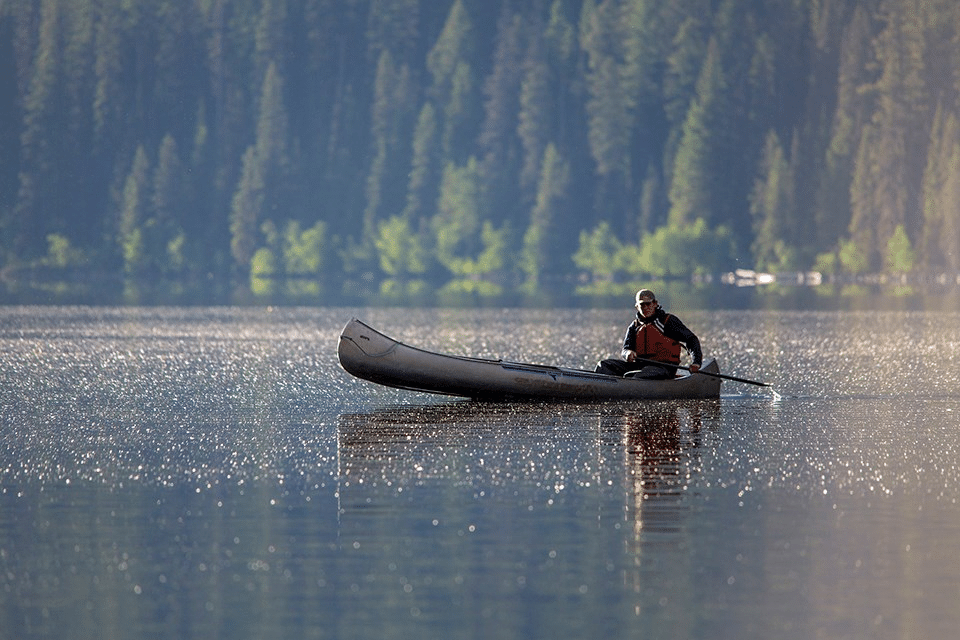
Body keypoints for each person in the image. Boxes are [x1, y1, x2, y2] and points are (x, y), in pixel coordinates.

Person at [595, 289, 703, 379]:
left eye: (648, 303)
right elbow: (626, 349)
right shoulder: (634, 326)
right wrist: (628, 353)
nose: (646, 307)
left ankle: (628, 386)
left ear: (655, 304)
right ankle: (599, 387)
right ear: (637, 307)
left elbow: (691, 339)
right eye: (642, 305)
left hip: (664, 368)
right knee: (603, 365)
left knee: (639, 375)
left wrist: (696, 362)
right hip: (640, 367)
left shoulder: (668, 322)